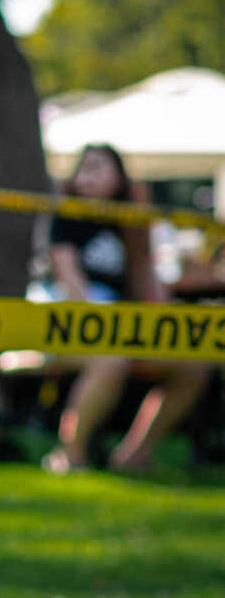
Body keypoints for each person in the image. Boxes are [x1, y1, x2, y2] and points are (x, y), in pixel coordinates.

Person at [41, 144, 211, 474]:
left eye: (98, 168)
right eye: (84, 167)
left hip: (121, 329)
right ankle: (70, 453)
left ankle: (135, 453)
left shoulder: (130, 223)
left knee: (193, 367)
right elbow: (69, 279)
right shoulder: (64, 216)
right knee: (110, 362)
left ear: (119, 178)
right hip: (69, 324)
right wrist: (102, 322)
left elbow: (148, 282)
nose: (88, 176)